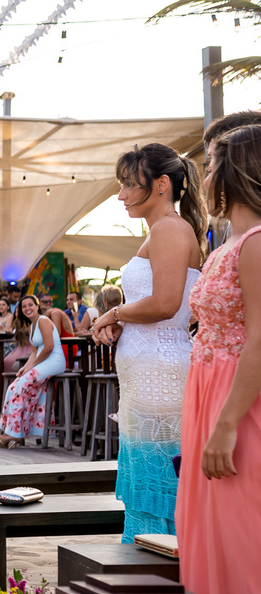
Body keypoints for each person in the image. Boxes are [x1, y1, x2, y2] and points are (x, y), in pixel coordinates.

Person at [176, 123, 261, 594]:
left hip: (237, 407)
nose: (204, 176)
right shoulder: (225, 245)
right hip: (207, 396)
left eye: (211, 164)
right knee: (205, 546)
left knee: (241, 553)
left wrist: (228, 422)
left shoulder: (256, 243)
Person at [91, 143, 204, 542]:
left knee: (160, 492)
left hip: (160, 379)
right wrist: (126, 324)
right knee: (151, 488)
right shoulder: (164, 229)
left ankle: (156, 574)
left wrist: (113, 314)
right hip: (150, 375)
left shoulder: (170, 228)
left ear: (160, 184)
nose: (121, 195)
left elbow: (165, 303)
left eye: (128, 184)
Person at [0, 295, 65, 448]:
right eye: (24, 306)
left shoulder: (43, 321)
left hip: (54, 361)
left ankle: (14, 433)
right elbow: (34, 352)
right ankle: (10, 429)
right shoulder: (32, 326)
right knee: (12, 387)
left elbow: (49, 347)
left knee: (22, 387)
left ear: (37, 306)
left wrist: (32, 367)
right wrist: (25, 368)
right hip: (43, 361)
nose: (27, 308)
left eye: (30, 305)